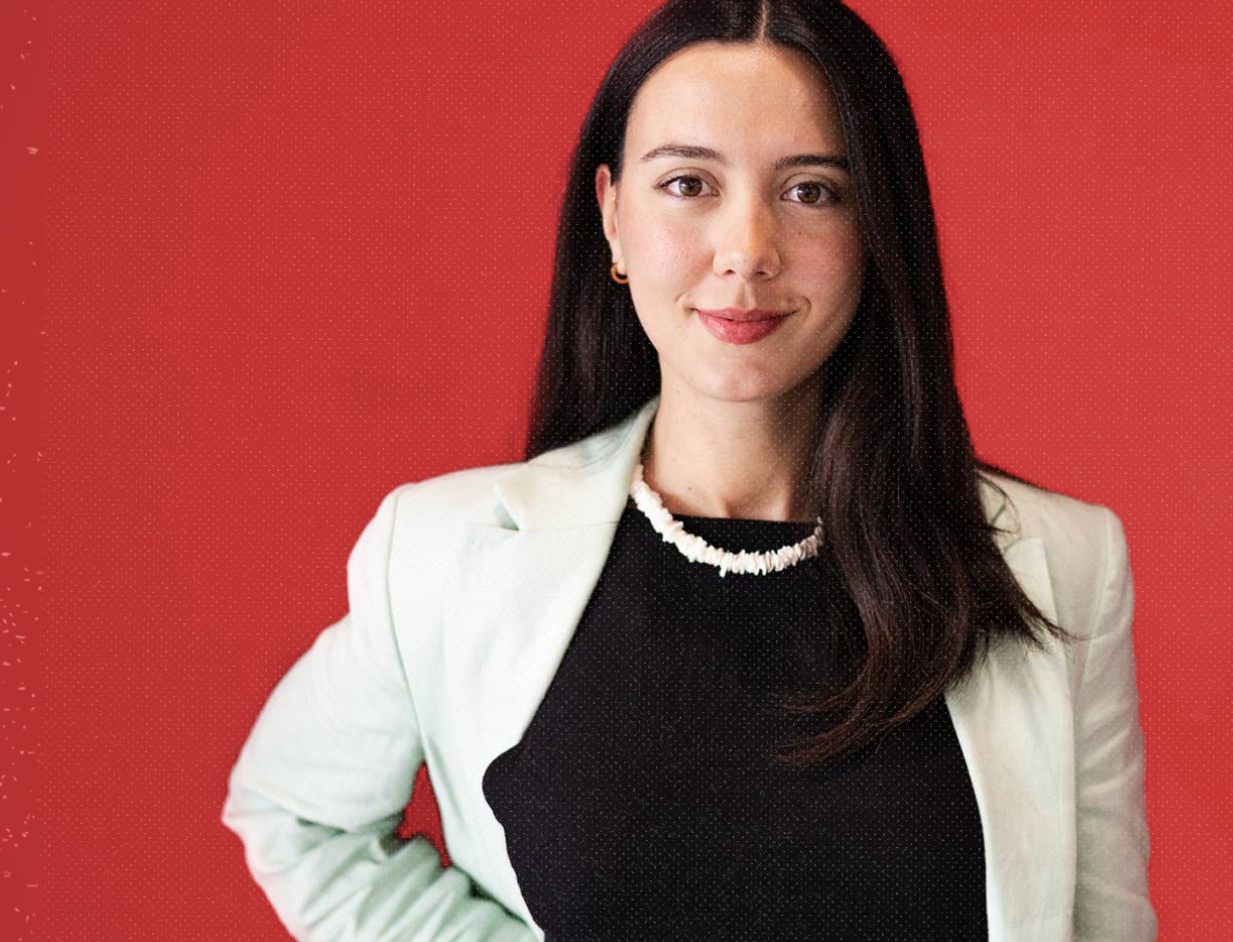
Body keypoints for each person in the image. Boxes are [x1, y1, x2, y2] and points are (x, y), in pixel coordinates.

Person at [221, 0, 1156, 939]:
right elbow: (296, 812)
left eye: (812, 191)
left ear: (878, 229)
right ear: (613, 219)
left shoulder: (1062, 564)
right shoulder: (439, 554)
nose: (746, 249)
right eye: (687, 185)